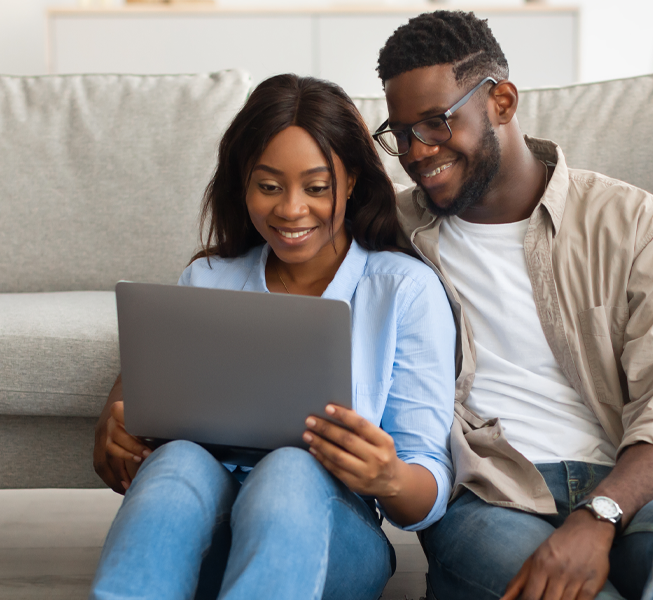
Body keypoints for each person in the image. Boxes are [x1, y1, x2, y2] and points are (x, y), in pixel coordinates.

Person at [372, 10, 653, 600]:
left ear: (501, 101)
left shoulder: (635, 227)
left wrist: (599, 515)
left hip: (623, 488)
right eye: (399, 133)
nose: (415, 152)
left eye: (434, 124)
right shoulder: (390, 233)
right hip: (488, 500)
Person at [89, 74, 456, 600]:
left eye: (316, 187)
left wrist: (389, 477)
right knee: (177, 461)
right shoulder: (208, 280)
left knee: (289, 467)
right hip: (205, 537)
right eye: (269, 186)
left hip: (328, 538)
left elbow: (430, 489)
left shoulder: (403, 291)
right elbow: (137, 414)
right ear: (243, 184)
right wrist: (118, 433)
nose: (290, 209)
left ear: (351, 182)